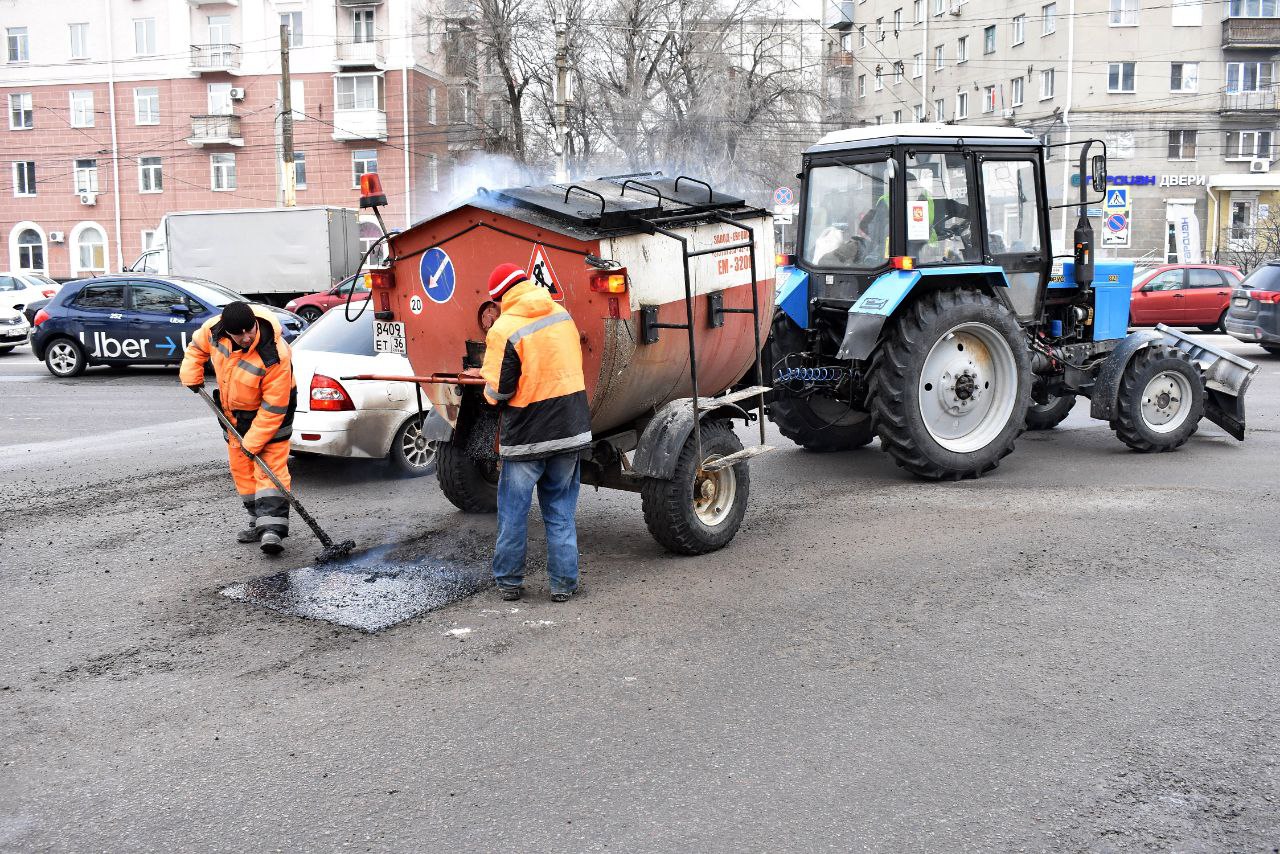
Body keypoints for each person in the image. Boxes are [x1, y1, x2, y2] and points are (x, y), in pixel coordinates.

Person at [469, 263, 591, 603]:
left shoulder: (504, 328)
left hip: (527, 435)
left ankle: (509, 582)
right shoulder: (562, 315)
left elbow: (499, 391)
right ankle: (563, 585)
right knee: (560, 511)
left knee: (513, 514)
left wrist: (487, 393)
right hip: (570, 429)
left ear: (499, 297)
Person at [179, 301, 297, 555]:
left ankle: (272, 531)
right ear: (226, 331)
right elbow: (196, 348)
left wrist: (253, 440)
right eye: (238, 333)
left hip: (273, 410)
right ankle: (258, 522)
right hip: (233, 410)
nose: (246, 337)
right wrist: (191, 371)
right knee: (241, 468)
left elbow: (274, 407)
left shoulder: (274, 354)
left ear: (255, 323)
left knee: (270, 467)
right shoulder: (213, 330)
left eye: (249, 331)